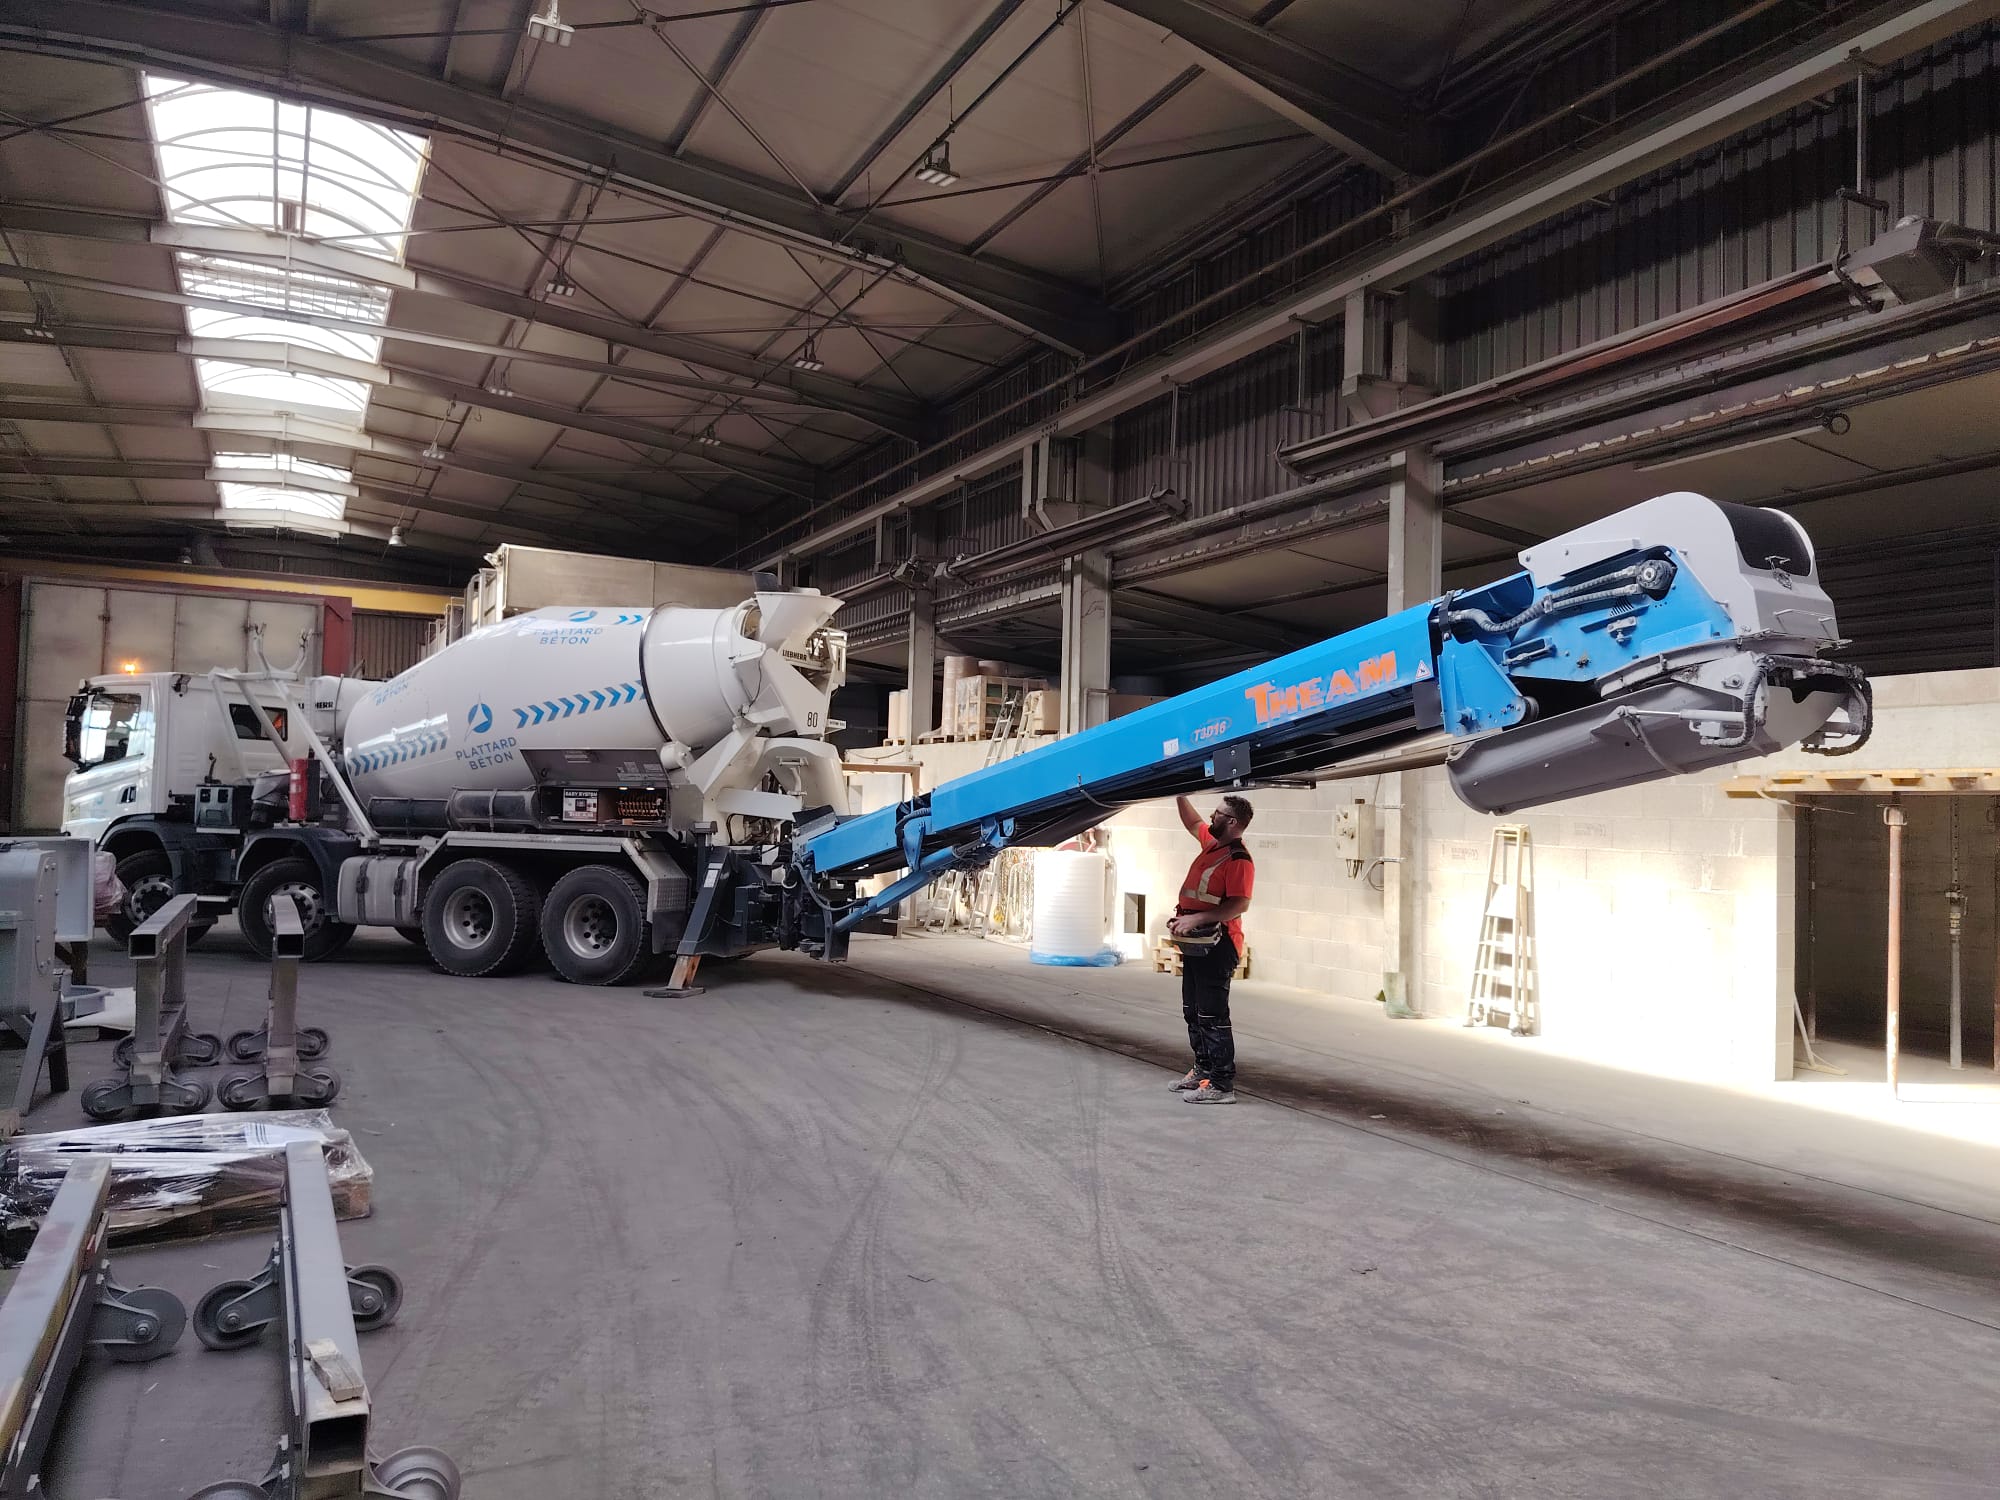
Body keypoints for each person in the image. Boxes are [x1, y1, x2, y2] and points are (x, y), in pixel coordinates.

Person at [1166, 794, 1254, 1104]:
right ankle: (1203, 1070)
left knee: (1212, 1014)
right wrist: (1179, 792)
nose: (1211, 816)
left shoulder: (1238, 859)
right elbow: (1192, 821)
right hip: (1198, 942)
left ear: (1231, 821)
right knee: (1192, 1010)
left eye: (1217, 813)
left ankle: (1221, 1084)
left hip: (1218, 944)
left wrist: (1198, 918)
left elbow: (1239, 903)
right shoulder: (1212, 843)